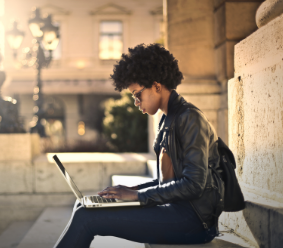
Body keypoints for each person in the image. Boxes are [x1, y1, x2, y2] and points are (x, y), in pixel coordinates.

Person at [54, 43, 224, 248]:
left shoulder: (190, 118)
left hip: (195, 221)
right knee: (83, 205)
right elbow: (168, 183)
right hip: (178, 211)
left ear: (156, 86)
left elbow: (194, 184)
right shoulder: (168, 119)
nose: (136, 102)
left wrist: (137, 195)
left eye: (137, 94)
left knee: (86, 217)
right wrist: (130, 190)